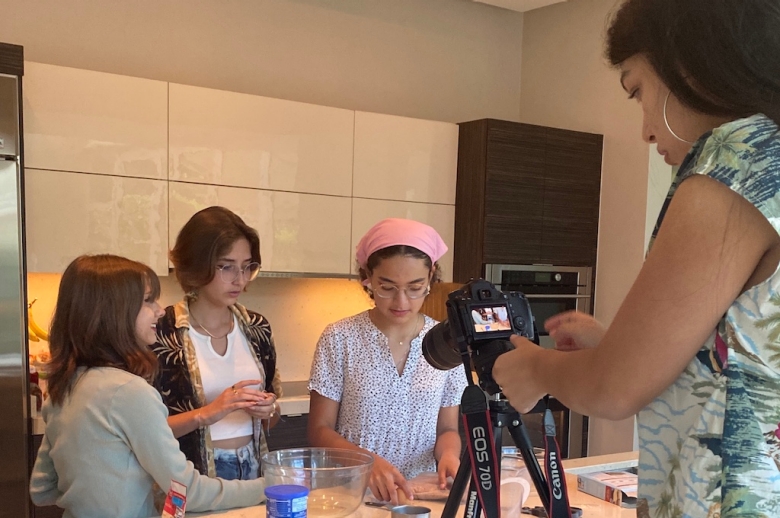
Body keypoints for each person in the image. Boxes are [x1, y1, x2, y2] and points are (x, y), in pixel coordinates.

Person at [493, 1, 780, 516]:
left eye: (637, 90)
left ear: (686, 64)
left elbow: (614, 388)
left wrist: (538, 369)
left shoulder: (736, 162)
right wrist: (617, 345)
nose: (646, 130)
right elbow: (749, 361)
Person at [29, 255, 266, 518]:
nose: (160, 310)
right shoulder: (129, 392)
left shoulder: (65, 387)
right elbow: (189, 491)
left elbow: (42, 489)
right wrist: (271, 485)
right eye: (148, 300)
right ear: (113, 312)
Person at [307, 218, 468, 505]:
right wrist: (366, 463)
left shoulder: (448, 343)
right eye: (387, 287)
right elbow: (319, 430)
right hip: (350, 495)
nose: (401, 301)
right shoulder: (340, 338)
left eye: (415, 287)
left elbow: (447, 429)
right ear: (368, 277)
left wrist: (449, 456)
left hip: (421, 498)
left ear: (431, 276)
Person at [153, 206, 282, 481]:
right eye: (226, 267)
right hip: (190, 475)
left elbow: (272, 416)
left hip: (254, 469)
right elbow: (145, 430)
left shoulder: (257, 328)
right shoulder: (162, 331)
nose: (240, 279)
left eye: (247, 267)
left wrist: (268, 409)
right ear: (196, 265)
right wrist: (208, 413)